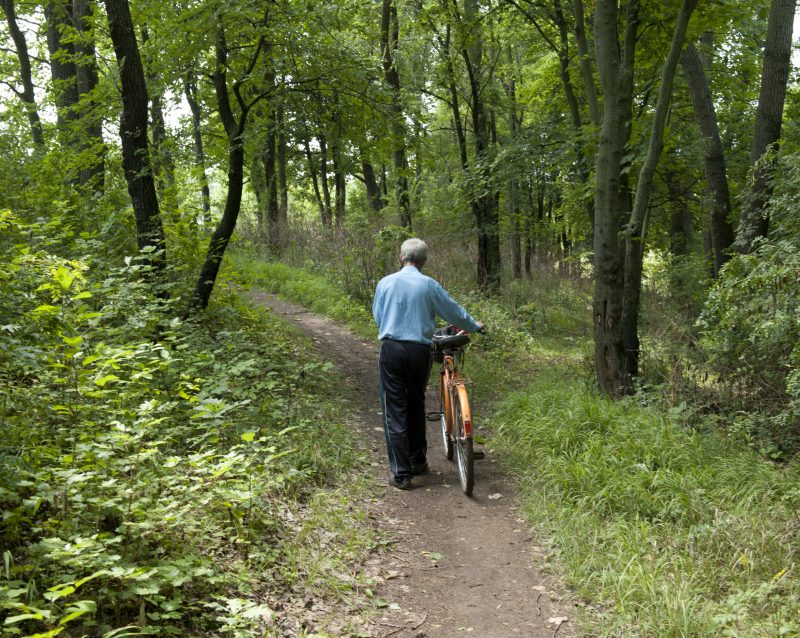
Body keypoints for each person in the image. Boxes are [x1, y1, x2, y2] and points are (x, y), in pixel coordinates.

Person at [372, 238, 484, 490]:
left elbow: (378, 317)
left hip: (391, 349)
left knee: (394, 408)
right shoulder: (429, 285)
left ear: (401, 257)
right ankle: (417, 459)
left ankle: (401, 474)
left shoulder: (385, 283)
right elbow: (452, 311)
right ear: (424, 261)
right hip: (419, 351)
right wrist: (473, 325)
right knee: (415, 402)